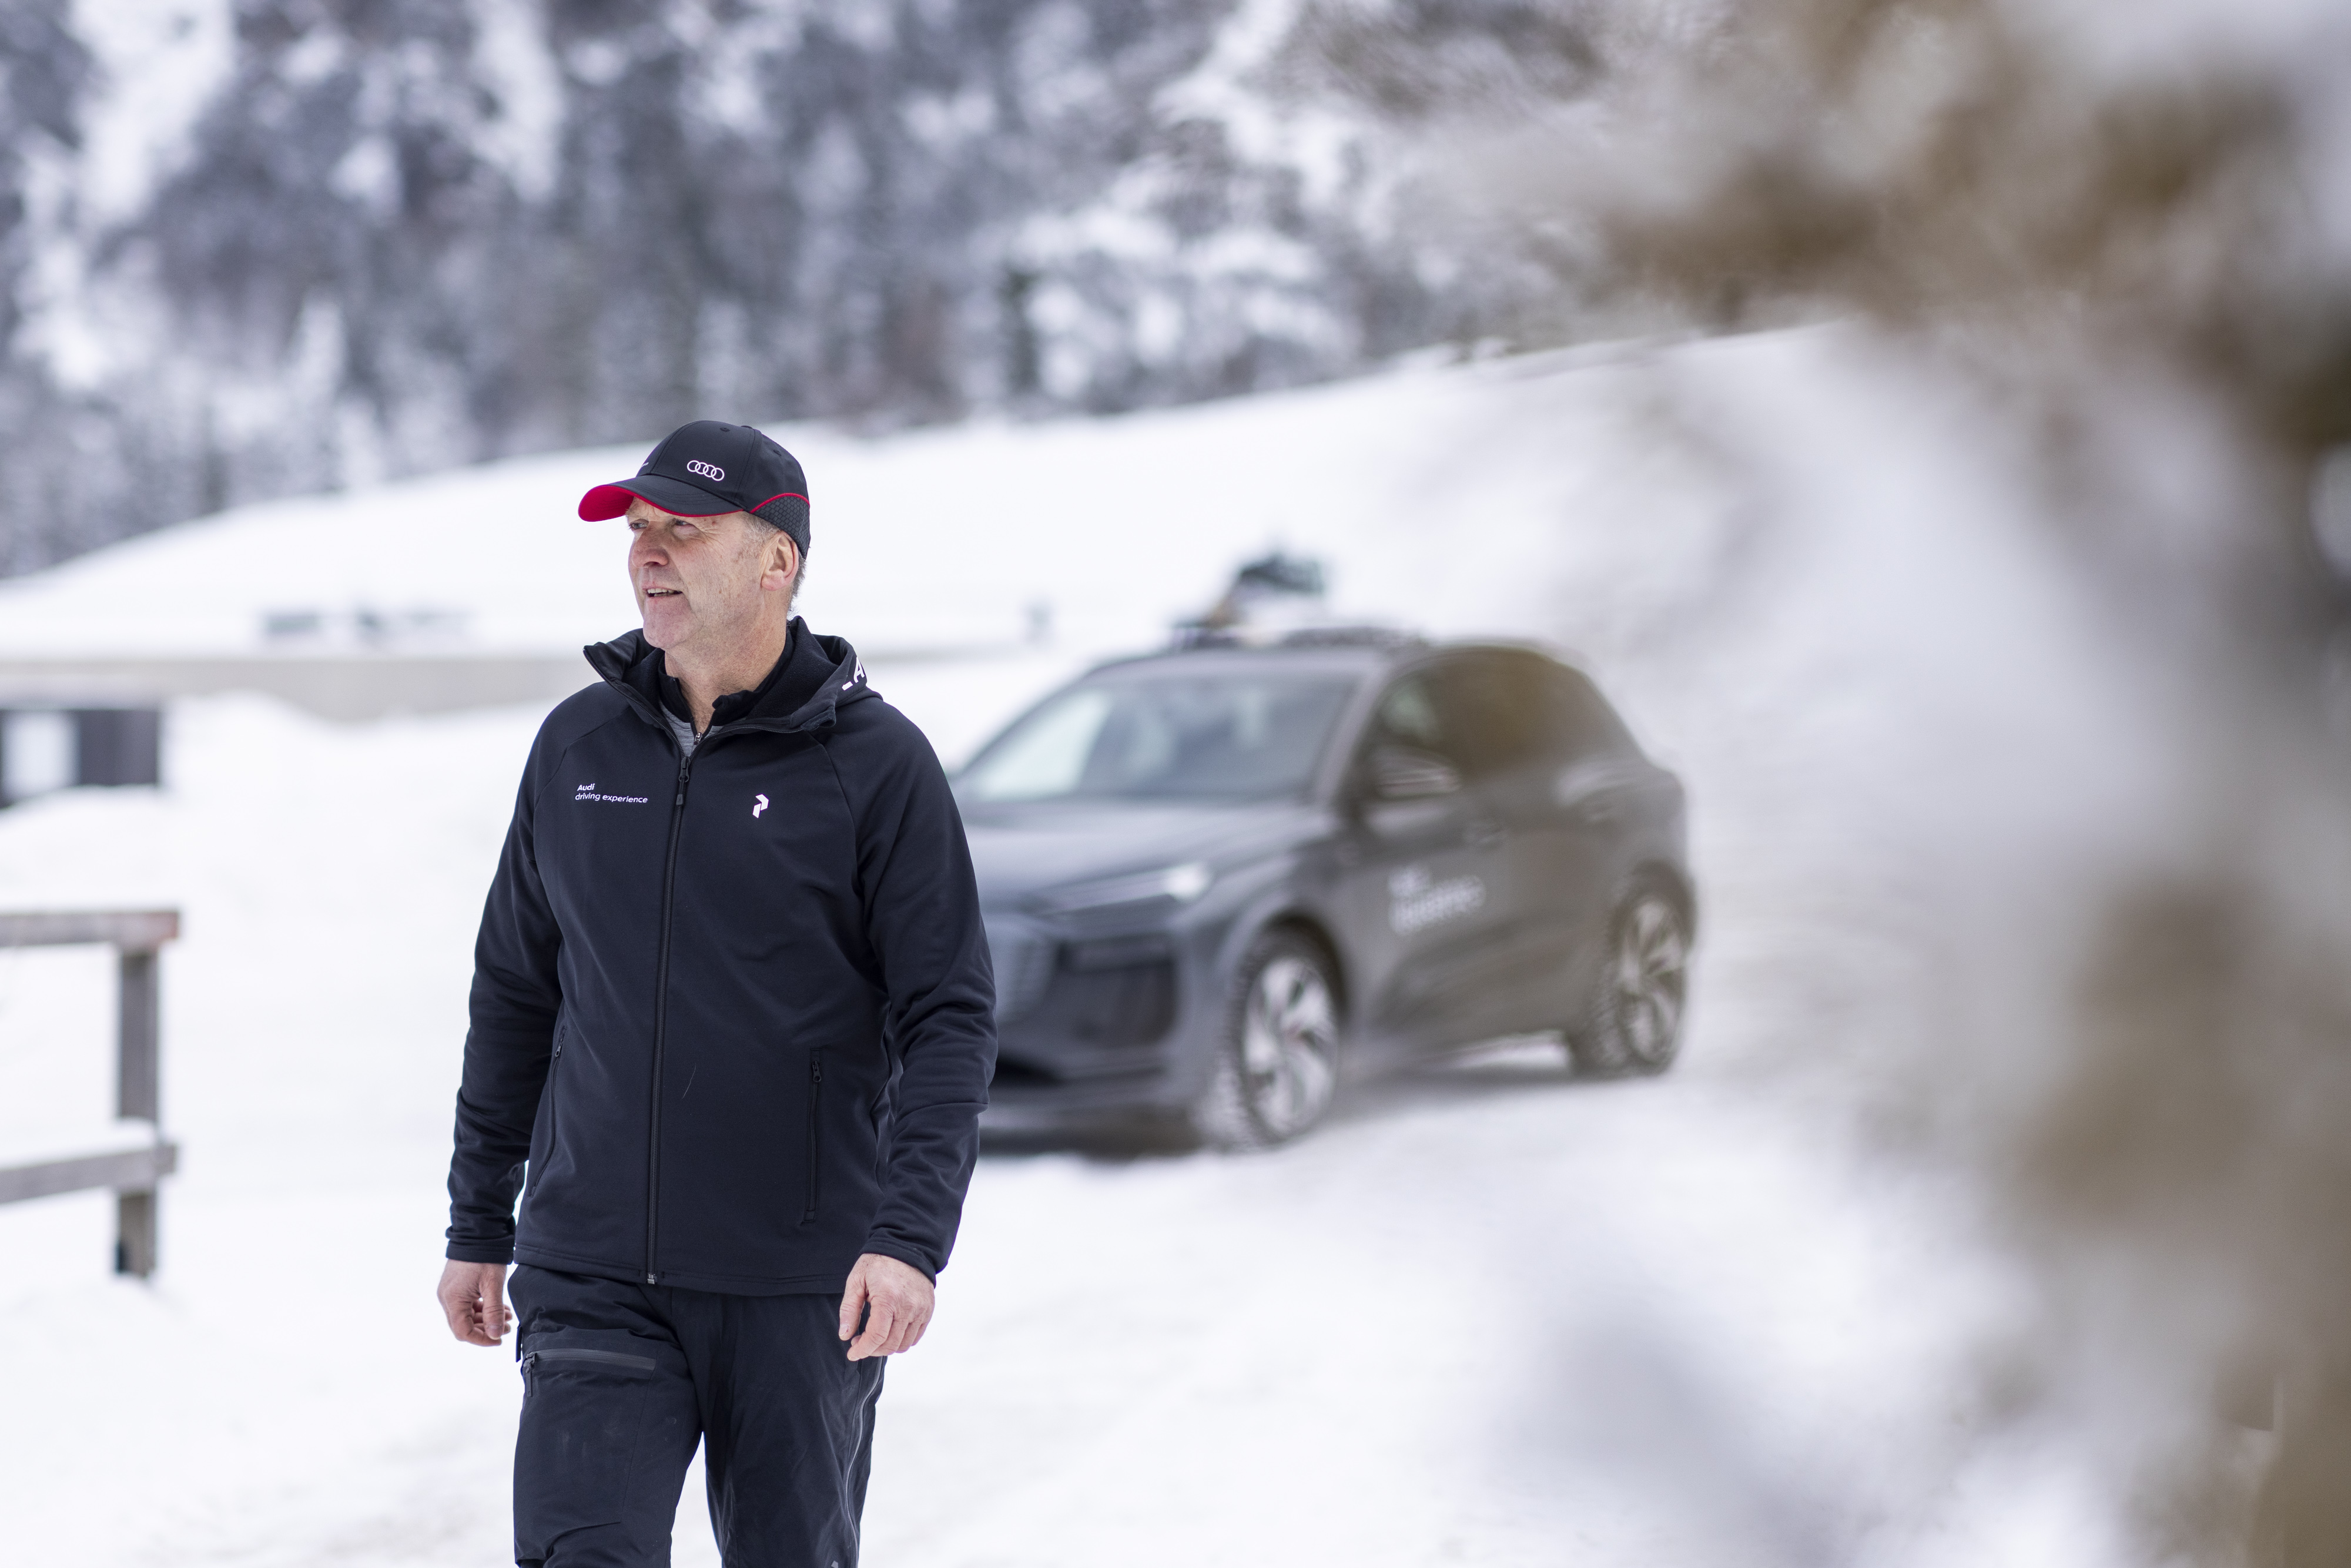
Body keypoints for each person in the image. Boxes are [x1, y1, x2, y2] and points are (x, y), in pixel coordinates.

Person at [434, 419, 997, 1567]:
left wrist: (907, 1238)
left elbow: (946, 1014)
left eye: (680, 532)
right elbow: (514, 994)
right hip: (593, 1267)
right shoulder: (578, 745)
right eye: (638, 531)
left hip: (798, 1285)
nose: (647, 554)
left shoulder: (876, 767)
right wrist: (479, 1219)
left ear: (773, 560)